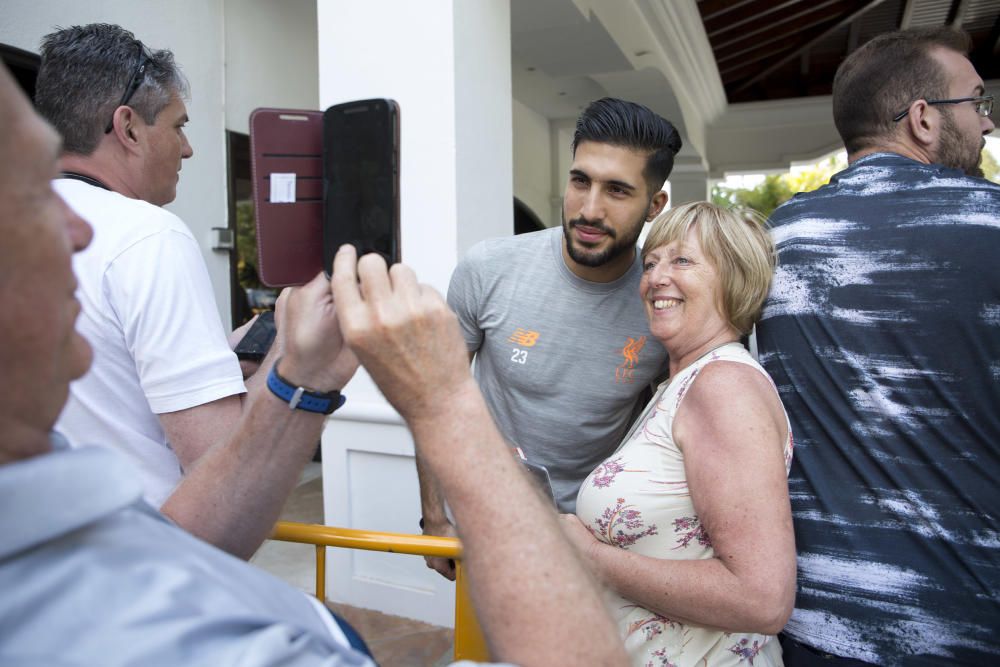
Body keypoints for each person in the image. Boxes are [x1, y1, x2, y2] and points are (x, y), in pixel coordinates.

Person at [0, 62, 626, 667]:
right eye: (33, 190)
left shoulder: (49, 492)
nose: (79, 231)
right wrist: (444, 401)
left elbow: (175, 534)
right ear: (129, 126)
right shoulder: (193, 641)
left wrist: (298, 379)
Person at [754, 27, 999, 666]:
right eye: (976, 103)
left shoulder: (774, 241)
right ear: (922, 118)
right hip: (971, 622)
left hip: (817, 626)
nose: (987, 126)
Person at [34, 24, 279, 557]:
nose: (188, 149)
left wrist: (220, 363)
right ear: (128, 127)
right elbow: (222, 478)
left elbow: (104, 384)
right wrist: (291, 369)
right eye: (179, 126)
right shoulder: (146, 234)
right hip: (147, 569)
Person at [420, 97, 680, 578]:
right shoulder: (489, 268)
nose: (589, 209)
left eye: (618, 191)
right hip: (485, 526)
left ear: (654, 205)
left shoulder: (664, 303)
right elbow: (438, 397)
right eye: (580, 180)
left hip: (596, 539)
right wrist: (435, 521)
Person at [559, 202, 795, 666]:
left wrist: (591, 557)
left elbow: (762, 598)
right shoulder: (680, 384)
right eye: (651, 263)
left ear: (734, 277)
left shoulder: (723, 387)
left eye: (682, 260)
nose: (655, 278)